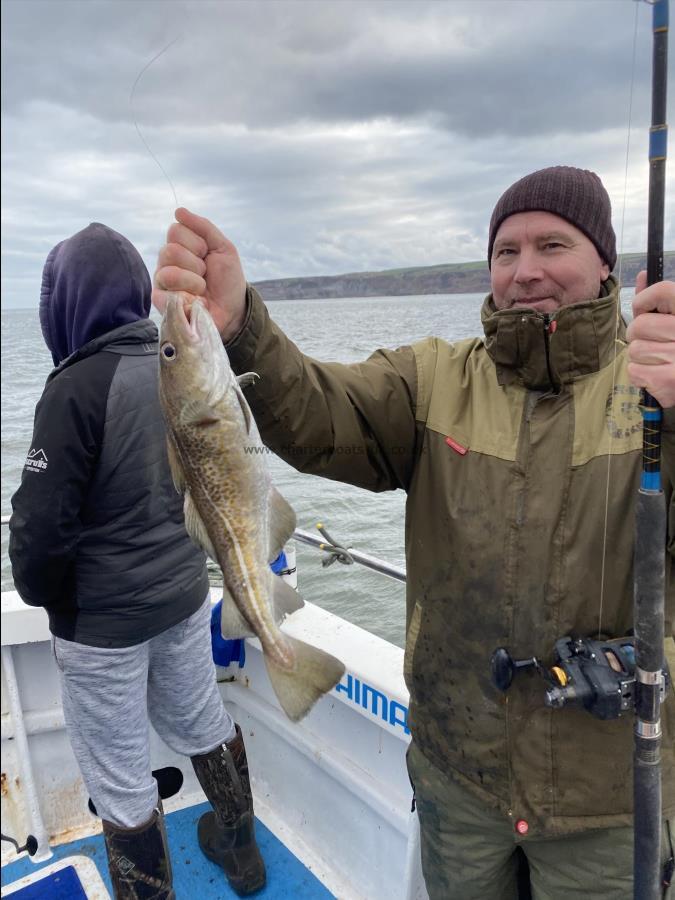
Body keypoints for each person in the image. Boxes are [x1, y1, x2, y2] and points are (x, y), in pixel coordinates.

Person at [153, 166, 675, 900]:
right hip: (457, 781)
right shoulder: (432, 379)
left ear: (605, 264)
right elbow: (316, 411)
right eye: (504, 251)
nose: (524, 271)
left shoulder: (657, 391)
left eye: (551, 245)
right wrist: (240, 326)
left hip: (610, 804)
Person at [8, 223, 266, 899]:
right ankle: (244, 856)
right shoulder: (177, 361)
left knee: (122, 778)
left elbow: (39, 537)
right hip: (183, 597)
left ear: (61, 304)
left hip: (103, 626)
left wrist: (48, 595)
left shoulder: (74, 388)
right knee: (202, 719)